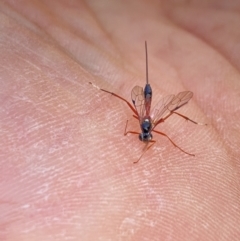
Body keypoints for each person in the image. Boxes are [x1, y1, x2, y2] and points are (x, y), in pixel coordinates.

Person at [1, 1, 239, 240]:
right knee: (129, 102)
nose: (145, 136)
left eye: (144, 135)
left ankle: (194, 125)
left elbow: (166, 109)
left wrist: (177, 146)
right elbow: (132, 116)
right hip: (142, 102)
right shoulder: (140, 120)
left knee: (173, 109)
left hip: (148, 105)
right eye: (145, 135)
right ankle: (99, 88)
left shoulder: (151, 123)